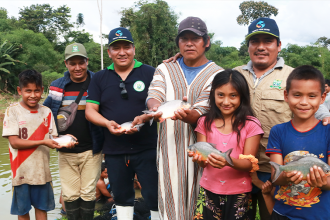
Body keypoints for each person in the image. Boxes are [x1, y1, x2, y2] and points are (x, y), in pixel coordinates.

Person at [132, 17, 224, 220]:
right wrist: (155, 109)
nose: (189, 43)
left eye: (195, 38)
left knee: (203, 204)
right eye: (184, 39)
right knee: (171, 203)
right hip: (169, 150)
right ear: (178, 43)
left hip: (205, 151)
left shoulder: (218, 74)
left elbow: (201, 111)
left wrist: (187, 115)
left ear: (206, 41)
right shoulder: (165, 68)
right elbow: (154, 94)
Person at [85, 27, 159, 220]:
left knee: (154, 194)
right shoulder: (100, 78)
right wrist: (107, 123)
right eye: (116, 48)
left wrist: (146, 117)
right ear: (109, 52)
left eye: (126, 47)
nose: (122, 52)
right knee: (122, 196)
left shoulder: (151, 73)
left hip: (147, 148)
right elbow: (90, 111)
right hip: (114, 150)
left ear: (134, 49)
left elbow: (160, 106)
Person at [188, 69, 264, 219]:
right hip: (208, 190)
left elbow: (249, 163)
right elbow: (203, 163)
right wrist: (199, 159)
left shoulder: (251, 125)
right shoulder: (204, 122)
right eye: (220, 95)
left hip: (240, 192)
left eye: (233, 96)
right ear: (213, 95)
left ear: (242, 97)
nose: (226, 101)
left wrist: (227, 162)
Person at [43, 43, 104, 220]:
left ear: (87, 61)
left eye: (81, 62)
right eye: (72, 63)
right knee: (69, 194)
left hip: (92, 149)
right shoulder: (57, 86)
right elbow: (45, 113)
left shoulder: (98, 83)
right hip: (65, 151)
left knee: (88, 193)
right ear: (66, 64)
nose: (77, 67)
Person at [266, 65, 330, 220]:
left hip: (319, 215)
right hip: (283, 213)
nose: (304, 102)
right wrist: (286, 177)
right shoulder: (278, 131)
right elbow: (275, 177)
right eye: (297, 95)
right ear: (286, 95)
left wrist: (322, 182)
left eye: (312, 96)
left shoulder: (328, 131)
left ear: (322, 98)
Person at [2, 70, 60, 220]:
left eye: (36, 91)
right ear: (20, 90)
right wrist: (43, 141)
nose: (33, 95)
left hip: (43, 173)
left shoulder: (47, 112)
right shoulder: (12, 111)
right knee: (23, 212)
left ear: (42, 90)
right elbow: (14, 142)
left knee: (42, 209)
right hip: (21, 173)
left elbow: (55, 137)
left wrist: (66, 141)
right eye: (28, 91)